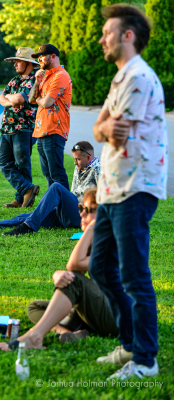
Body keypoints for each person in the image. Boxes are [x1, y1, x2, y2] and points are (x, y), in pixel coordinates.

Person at [89, 4, 168, 381]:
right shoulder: (122, 78)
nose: (101, 38)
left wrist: (105, 127)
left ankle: (145, 360)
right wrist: (104, 128)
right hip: (111, 188)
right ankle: (129, 344)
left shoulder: (138, 76)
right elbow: (101, 129)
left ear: (128, 35)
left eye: (108, 32)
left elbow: (111, 127)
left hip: (135, 188)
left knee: (134, 276)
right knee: (101, 266)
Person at [0, 188, 118, 351]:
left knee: (73, 280)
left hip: (116, 316)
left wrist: (91, 227)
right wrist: (58, 274)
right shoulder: (96, 240)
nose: (81, 214)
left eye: (89, 210)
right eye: (81, 208)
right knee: (36, 307)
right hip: (96, 309)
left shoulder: (113, 242)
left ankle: (34, 336)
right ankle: (68, 332)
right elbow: (76, 272)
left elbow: (74, 267)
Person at [0, 141, 100, 236]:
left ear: (89, 157)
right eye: (74, 158)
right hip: (68, 212)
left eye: (78, 159)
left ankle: (28, 227)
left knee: (56, 187)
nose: (74, 162)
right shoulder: (79, 167)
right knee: (25, 216)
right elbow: (74, 192)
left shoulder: (99, 169)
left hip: (83, 214)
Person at [0, 47, 40, 208]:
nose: (15, 64)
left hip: (24, 129)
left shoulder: (33, 80)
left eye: (18, 61)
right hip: (7, 128)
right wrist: (9, 99)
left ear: (28, 63)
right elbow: (0, 98)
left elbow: (20, 99)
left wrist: (9, 99)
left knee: (23, 165)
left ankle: (21, 198)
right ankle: (27, 189)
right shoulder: (14, 80)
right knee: (2, 162)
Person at [29, 44, 72, 191]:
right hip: (42, 130)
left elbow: (46, 103)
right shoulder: (44, 76)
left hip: (54, 130)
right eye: (38, 56)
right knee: (48, 174)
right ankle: (54, 208)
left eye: (42, 55)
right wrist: (36, 81)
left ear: (53, 56)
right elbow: (30, 99)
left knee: (56, 173)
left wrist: (39, 98)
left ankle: (66, 209)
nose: (39, 59)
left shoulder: (60, 76)